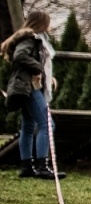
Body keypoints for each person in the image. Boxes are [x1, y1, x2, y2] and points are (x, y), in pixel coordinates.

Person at [3, 10, 64, 180]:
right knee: (47, 125)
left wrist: (47, 76)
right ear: (42, 23)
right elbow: (20, 56)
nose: (50, 25)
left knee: (28, 127)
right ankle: (42, 166)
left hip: (30, 86)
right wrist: (38, 68)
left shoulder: (37, 39)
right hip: (29, 88)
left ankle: (27, 166)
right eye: (49, 22)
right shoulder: (31, 38)